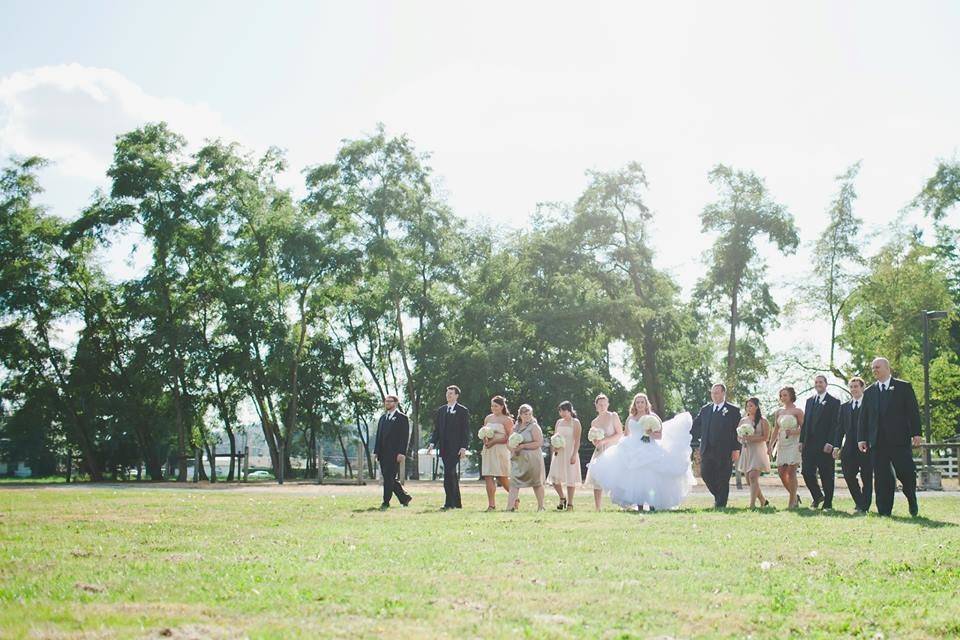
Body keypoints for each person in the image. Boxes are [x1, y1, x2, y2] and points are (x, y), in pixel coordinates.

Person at [587, 393, 695, 511]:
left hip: (649, 447)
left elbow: (659, 436)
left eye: (642, 402)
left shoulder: (653, 417)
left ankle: (653, 503)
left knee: (650, 476)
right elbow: (626, 434)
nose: (639, 404)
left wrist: (650, 433)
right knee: (635, 477)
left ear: (646, 403)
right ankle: (639, 504)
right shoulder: (630, 418)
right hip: (633, 448)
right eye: (637, 402)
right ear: (635, 404)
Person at [857, 357, 922, 517]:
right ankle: (884, 511)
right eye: (873, 368)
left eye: (877, 367)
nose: (874, 370)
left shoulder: (903, 387)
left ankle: (911, 499)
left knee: (906, 474)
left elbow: (913, 412)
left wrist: (916, 433)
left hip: (899, 440)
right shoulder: (870, 392)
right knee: (881, 477)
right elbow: (863, 417)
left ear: (887, 368)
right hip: (877, 442)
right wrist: (862, 438)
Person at [690, 383, 741, 508]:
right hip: (707, 449)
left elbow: (737, 431)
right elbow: (695, 426)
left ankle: (721, 503)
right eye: (712, 393)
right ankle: (719, 497)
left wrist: (736, 449)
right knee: (706, 474)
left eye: (717, 392)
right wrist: (682, 430)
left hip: (725, 450)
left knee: (723, 477)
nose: (714, 395)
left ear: (723, 393)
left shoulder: (733, 410)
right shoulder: (706, 409)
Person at [800, 375, 841, 509]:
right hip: (809, 444)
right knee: (806, 472)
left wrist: (831, 442)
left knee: (826, 474)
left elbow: (835, 424)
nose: (818, 384)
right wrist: (801, 441)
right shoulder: (809, 401)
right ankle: (818, 496)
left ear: (826, 384)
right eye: (816, 382)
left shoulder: (834, 401)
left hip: (825, 445)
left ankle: (828, 503)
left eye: (821, 382)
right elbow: (806, 423)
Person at [834, 376, 872, 514]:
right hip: (849, 447)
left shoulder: (869, 405)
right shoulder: (844, 407)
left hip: (866, 447)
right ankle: (859, 501)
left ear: (862, 388)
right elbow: (839, 429)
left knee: (866, 477)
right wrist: (836, 446)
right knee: (848, 475)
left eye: (856, 386)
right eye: (851, 387)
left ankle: (864, 506)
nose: (854, 389)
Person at [428, 385, 469, 510]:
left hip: (456, 448)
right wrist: (432, 443)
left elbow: (465, 431)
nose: (448, 395)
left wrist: (463, 447)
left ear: (457, 395)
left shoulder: (462, 410)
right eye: (447, 393)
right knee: (451, 475)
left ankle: (449, 503)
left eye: (451, 393)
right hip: (444, 448)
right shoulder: (441, 410)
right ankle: (457, 503)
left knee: (448, 474)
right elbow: (437, 430)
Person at [582, 394, 624, 511]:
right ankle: (598, 507)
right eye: (600, 404)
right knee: (597, 478)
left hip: (612, 449)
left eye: (605, 404)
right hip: (600, 451)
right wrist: (596, 442)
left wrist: (605, 440)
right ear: (596, 406)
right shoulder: (594, 422)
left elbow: (620, 433)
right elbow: (593, 439)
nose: (602, 406)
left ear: (608, 404)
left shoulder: (613, 416)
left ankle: (624, 504)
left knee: (617, 477)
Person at [373, 394, 412, 510]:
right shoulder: (382, 418)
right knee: (389, 478)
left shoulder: (402, 418)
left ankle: (386, 502)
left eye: (390, 401)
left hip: (395, 454)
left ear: (395, 403)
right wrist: (376, 451)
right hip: (383, 454)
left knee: (389, 478)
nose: (387, 403)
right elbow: (378, 436)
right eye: (386, 401)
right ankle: (404, 498)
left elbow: (404, 438)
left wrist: (402, 453)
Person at [507, 404, 546, 511]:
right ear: (520, 415)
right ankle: (510, 507)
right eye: (525, 414)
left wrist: (523, 446)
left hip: (532, 458)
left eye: (529, 414)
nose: (527, 416)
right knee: (514, 482)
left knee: (536, 482)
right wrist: (513, 449)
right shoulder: (515, 427)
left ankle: (541, 506)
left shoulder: (534, 426)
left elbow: (539, 442)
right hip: (518, 459)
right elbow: (509, 441)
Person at [770, 386, 804, 509]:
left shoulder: (798, 411)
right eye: (781, 395)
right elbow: (775, 429)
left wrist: (794, 432)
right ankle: (794, 495)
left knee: (791, 471)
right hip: (782, 443)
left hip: (794, 442)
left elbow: (804, 429)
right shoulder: (778, 412)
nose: (783, 397)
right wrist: (770, 444)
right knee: (781, 472)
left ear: (791, 396)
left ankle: (792, 503)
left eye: (785, 395)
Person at [546, 401, 582, 510]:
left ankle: (570, 503)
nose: (562, 413)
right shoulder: (558, 422)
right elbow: (555, 437)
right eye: (560, 411)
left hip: (570, 451)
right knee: (555, 479)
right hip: (559, 453)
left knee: (570, 478)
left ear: (570, 410)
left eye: (564, 411)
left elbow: (577, 440)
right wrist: (555, 447)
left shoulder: (575, 422)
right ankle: (562, 497)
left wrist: (574, 455)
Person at [481, 396, 514, 511]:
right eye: (492, 406)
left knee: (502, 477)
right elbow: (484, 432)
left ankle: (515, 498)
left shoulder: (507, 420)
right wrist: (485, 439)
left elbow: (510, 437)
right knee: (488, 476)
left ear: (502, 407)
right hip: (488, 450)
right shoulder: (488, 418)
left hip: (501, 449)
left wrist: (494, 441)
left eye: (496, 406)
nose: (493, 408)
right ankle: (491, 504)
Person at [737, 397, 771, 509]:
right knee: (748, 479)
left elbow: (765, 437)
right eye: (747, 406)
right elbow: (738, 436)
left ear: (756, 407)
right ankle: (762, 500)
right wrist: (743, 439)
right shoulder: (743, 421)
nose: (749, 408)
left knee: (753, 477)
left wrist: (752, 438)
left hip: (758, 450)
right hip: (747, 450)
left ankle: (752, 505)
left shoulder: (763, 420)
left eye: (751, 405)